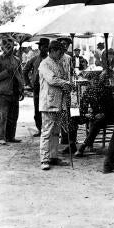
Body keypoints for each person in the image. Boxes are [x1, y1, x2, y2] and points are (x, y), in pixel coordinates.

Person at [38, 41, 74, 170]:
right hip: (48, 103)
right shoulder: (44, 64)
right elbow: (52, 79)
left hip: (59, 103)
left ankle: (53, 157)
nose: (62, 54)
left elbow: (64, 78)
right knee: (47, 132)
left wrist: (67, 83)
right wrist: (65, 83)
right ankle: (44, 159)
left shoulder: (59, 63)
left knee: (56, 132)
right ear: (52, 50)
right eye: (60, 51)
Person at [74, 71, 114, 157]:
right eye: (93, 81)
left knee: (97, 122)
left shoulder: (107, 90)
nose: (95, 82)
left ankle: (83, 146)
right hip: (95, 115)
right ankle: (73, 144)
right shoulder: (89, 91)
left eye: (97, 80)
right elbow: (82, 107)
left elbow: (112, 107)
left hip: (108, 115)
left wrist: (103, 113)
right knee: (75, 117)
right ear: (90, 82)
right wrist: (86, 114)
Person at [0, 36, 24, 144]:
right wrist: (6, 72)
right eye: (6, 46)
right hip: (3, 93)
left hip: (15, 92)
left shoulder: (17, 60)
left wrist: (21, 88)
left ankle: (11, 137)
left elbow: (20, 76)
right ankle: (0, 138)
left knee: (13, 117)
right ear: (2, 47)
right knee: (2, 116)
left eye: (10, 46)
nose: (9, 49)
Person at [22, 38, 50, 137]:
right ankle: (40, 129)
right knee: (38, 109)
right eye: (43, 47)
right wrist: (28, 83)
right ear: (39, 47)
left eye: (46, 47)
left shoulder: (51, 59)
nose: (45, 49)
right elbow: (24, 71)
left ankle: (48, 129)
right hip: (37, 88)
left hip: (49, 88)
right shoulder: (34, 59)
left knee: (49, 109)